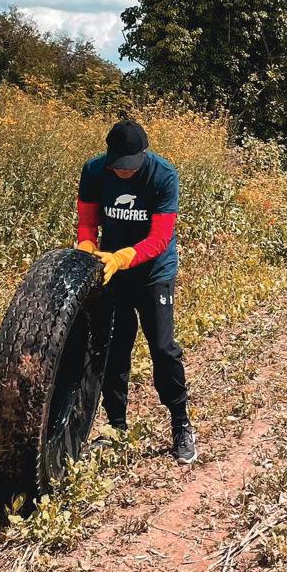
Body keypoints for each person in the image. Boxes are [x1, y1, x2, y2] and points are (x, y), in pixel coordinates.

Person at [76, 119, 197, 463]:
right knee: (114, 347)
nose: (124, 172)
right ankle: (116, 425)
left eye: (130, 166)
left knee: (162, 347)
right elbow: (88, 221)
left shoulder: (163, 175)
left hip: (152, 271)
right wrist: (87, 247)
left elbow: (160, 238)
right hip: (111, 270)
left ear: (144, 154)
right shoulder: (95, 171)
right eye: (119, 165)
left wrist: (125, 257)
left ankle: (180, 422)